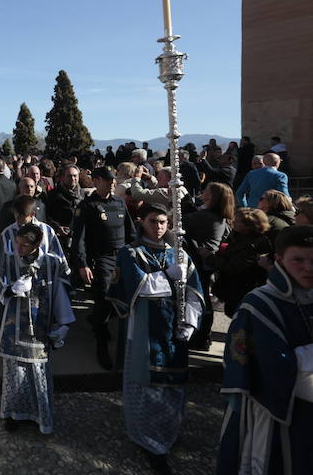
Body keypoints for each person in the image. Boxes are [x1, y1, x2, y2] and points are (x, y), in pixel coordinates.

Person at [107, 203, 204, 474]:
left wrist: (190, 323)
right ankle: (146, 439)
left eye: (163, 222)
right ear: (141, 222)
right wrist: (168, 277)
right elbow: (138, 287)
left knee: (172, 386)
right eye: (153, 221)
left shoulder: (179, 254)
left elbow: (195, 292)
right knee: (145, 385)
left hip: (174, 331)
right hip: (144, 330)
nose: (158, 227)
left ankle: (169, 431)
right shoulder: (130, 253)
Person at [216, 226, 313, 474]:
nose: (308, 268)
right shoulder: (259, 304)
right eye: (298, 260)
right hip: (279, 410)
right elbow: (270, 364)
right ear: (279, 260)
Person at [0, 223, 74, 434]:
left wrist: (64, 324)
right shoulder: (9, 260)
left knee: (39, 373)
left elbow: (59, 294)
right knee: (15, 373)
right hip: (13, 328)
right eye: (17, 244)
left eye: (25, 246)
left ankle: (40, 416)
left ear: (36, 244)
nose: (19, 250)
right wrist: (10, 290)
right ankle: (13, 415)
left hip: (40, 330)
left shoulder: (52, 264)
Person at [71, 166, 135, 370]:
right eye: (108, 180)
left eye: (113, 180)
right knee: (104, 299)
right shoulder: (87, 206)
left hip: (122, 258)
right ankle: (101, 344)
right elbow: (78, 239)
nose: (112, 184)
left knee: (125, 299)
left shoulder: (119, 202)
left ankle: (97, 319)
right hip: (101, 260)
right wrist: (81, 264)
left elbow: (130, 233)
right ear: (97, 181)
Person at [182, 182, 235, 350]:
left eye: (206, 190)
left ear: (211, 197)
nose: (202, 191)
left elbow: (181, 222)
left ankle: (199, 335)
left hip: (199, 264)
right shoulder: (219, 216)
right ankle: (204, 336)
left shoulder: (206, 216)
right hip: (206, 264)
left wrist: (183, 208)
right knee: (203, 298)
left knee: (198, 299)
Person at [210, 208, 272, 317]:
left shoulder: (251, 245)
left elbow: (232, 268)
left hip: (242, 290)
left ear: (248, 226)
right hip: (235, 289)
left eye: (237, 221)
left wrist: (209, 257)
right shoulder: (238, 237)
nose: (233, 222)